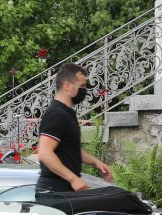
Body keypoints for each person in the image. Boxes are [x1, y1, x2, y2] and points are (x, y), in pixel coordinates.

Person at [34, 62, 112, 199]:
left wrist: (96, 163)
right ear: (68, 86)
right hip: (54, 192)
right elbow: (45, 153)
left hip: (64, 191)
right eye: (82, 86)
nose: (84, 91)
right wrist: (73, 179)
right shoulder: (56, 114)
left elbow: (70, 149)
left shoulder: (67, 113)